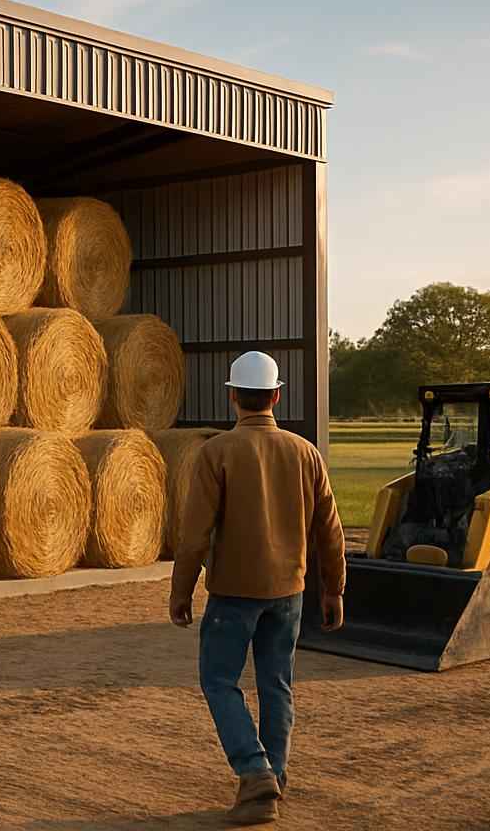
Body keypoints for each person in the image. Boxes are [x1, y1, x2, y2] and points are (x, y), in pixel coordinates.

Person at [168, 351, 346, 826]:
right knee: (276, 684)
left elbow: (194, 536)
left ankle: (253, 770)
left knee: (219, 681)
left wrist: (181, 591)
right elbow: (330, 528)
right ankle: (275, 779)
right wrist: (334, 589)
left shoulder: (216, 453)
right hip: (289, 591)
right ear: (276, 395)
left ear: (233, 397)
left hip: (232, 593)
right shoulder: (305, 452)